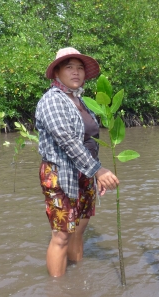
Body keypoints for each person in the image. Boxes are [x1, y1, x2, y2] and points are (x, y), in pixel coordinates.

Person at [36, 47, 120, 277]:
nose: (76, 72)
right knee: (61, 236)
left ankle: (76, 285)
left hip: (85, 174)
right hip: (60, 175)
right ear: (57, 72)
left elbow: (89, 142)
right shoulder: (52, 100)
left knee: (79, 230)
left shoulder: (81, 102)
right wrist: (99, 170)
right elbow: (67, 140)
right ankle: (59, 293)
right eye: (69, 67)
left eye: (80, 68)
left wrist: (95, 174)